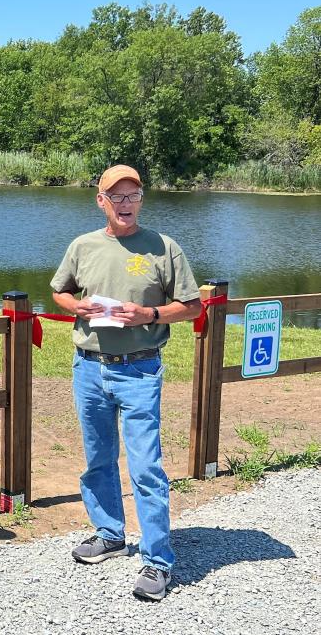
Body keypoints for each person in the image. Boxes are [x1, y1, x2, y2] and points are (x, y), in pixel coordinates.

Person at [51, 164, 201, 602]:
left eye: (132, 195)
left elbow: (191, 306)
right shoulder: (83, 246)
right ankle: (109, 533)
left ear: (141, 199)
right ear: (101, 201)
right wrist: (75, 306)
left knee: (145, 467)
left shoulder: (163, 247)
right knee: (98, 459)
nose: (125, 204)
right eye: (116, 196)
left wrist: (149, 315)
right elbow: (59, 290)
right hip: (89, 369)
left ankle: (157, 561)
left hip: (140, 370)